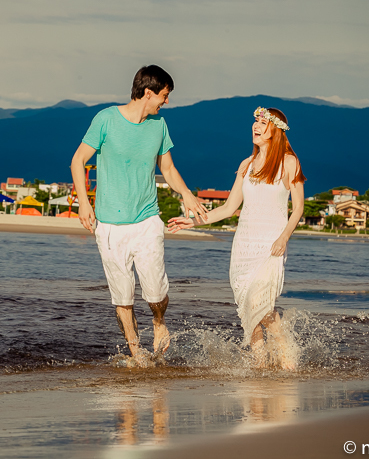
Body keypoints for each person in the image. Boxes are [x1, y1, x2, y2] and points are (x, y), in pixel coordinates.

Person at [71, 65, 208, 360]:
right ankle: (136, 354)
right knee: (123, 297)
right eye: (164, 95)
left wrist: (186, 193)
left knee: (156, 292)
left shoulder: (159, 126)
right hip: (109, 225)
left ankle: (159, 321)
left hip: (147, 221)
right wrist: (84, 202)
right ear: (148, 93)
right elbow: (78, 160)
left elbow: (167, 168)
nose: (166, 101)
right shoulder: (106, 119)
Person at [168, 106, 305, 368]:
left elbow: (298, 208)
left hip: (271, 244)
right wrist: (192, 221)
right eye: (255, 121)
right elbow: (228, 208)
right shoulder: (246, 164)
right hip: (243, 246)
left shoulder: (289, 162)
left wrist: (284, 237)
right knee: (247, 307)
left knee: (260, 304)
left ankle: (289, 362)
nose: (256, 126)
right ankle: (259, 365)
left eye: (262, 122)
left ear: (275, 130)